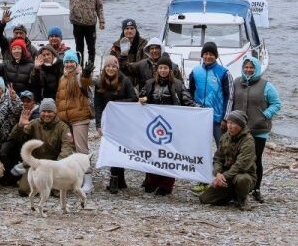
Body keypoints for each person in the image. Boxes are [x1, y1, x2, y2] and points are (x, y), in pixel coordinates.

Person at [138, 54, 193, 195]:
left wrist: (200, 109)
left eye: (166, 68)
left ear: (170, 70)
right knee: (152, 153)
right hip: (153, 124)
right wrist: (142, 99)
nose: (163, 70)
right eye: (161, 68)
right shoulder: (150, 83)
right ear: (157, 70)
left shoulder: (178, 84)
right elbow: (141, 97)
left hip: (172, 126)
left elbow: (187, 101)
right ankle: (152, 180)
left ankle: (167, 184)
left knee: (169, 153)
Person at [229, 56, 281, 202]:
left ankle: (256, 189)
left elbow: (276, 104)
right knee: (237, 158)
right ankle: (237, 188)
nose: (248, 69)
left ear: (256, 68)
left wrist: (265, 115)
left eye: (251, 67)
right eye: (246, 67)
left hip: (259, 130)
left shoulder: (266, 85)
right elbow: (230, 101)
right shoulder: (236, 82)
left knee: (255, 160)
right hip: (238, 130)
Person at [9, 98, 75, 196]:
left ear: (55, 113)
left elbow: (67, 147)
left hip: (54, 166)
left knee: (58, 192)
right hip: (36, 164)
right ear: (40, 112)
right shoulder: (34, 123)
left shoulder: (63, 127)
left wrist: (58, 166)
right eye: (43, 111)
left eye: (49, 111)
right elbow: (14, 137)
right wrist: (20, 126)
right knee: (24, 190)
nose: (46, 114)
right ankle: (42, 185)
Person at [93, 55, 137, 192]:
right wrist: (98, 124)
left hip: (123, 121)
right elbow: (98, 105)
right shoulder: (99, 83)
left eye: (113, 66)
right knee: (111, 148)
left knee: (120, 148)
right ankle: (119, 179)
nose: (111, 69)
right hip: (108, 121)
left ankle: (115, 179)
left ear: (117, 68)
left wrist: (116, 105)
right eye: (108, 66)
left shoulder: (125, 81)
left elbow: (134, 98)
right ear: (104, 68)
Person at [199, 110, 257, 210]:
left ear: (240, 125)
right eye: (229, 122)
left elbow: (241, 165)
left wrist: (223, 177)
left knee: (241, 179)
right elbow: (218, 158)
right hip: (226, 176)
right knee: (204, 199)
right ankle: (232, 194)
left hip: (244, 174)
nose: (229, 126)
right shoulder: (225, 137)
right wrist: (218, 173)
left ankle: (242, 198)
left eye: (233, 123)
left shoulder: (248, 140)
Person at [56, 0, 105, 64]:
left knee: (91, 48)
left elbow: (99, 8)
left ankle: (90, 66)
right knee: (79, 47)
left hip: (91, 25)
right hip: (77, 24)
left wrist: (102, 22)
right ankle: (79, 66)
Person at [188, 42, 232, 146]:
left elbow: (229, 97)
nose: (208, 56)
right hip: (199, 116)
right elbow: (190, 92)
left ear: (216, 56)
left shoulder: (224, 73)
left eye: (211, 54)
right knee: (198, 145)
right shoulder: (195, 71)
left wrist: (225, 118)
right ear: (202, 55)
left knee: (222, 146)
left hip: (217, 118)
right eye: (206, 54)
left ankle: (220, 163)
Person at [55, 52, 94, 156]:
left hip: (79, 118)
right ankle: (75, 171)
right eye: (66, 62)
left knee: (81, 149)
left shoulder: (80, 75)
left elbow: (86, 83)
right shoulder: (62, 78)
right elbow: (59, 99)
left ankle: (86, 170)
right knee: (71, 148)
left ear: (76, 63)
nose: (69, 64)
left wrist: (86, 75)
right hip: (65, 120)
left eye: (72, 61)